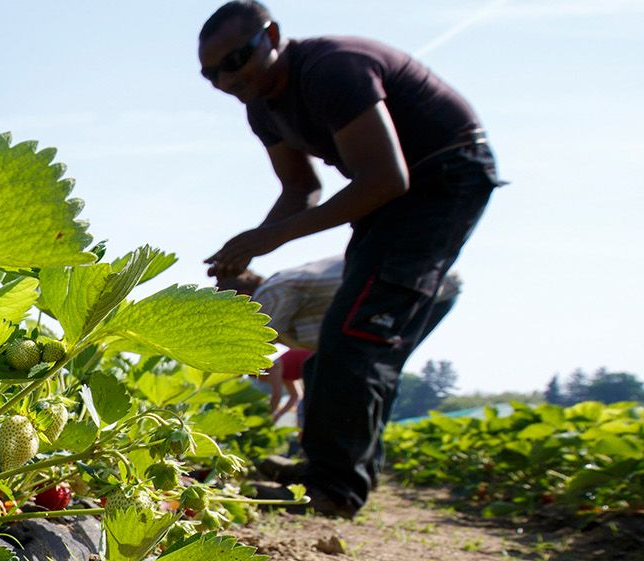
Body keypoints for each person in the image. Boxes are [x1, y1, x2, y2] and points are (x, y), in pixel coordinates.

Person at [198, 2, 502, 517]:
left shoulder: (333, 69)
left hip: (442, 178)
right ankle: (331, 471)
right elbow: (300, 189)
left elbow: (386, 177)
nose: (227, 78)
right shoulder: (263, 106)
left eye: (236, 59)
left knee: (359, 332)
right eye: (210, 73)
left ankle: (334, 489)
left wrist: (267, 241)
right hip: (389, 198)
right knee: (348, 334)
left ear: (271, 34)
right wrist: (250, 240)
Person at [220, 256, 462, 430]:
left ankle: (338, 481)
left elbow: (251, 344)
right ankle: (327, 470)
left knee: (364, 377)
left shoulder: (272, 292)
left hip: (424, 289)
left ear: (242, 297)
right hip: (412, 286)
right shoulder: (279, 288)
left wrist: (215, 376)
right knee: (334, 376)